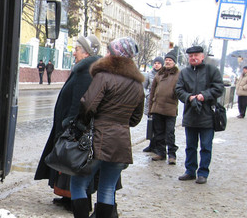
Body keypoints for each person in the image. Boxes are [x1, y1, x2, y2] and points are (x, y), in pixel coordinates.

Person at [70, 37, 144, 218]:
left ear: (117, 56)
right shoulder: (137, 85)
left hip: (98, 139)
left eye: (110, 51)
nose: (107, 54)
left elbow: (88, 105)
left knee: (78, 183)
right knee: (108, 188)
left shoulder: (103, 77)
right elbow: (135, 119)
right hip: (121, 143)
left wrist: (82, 124)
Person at [35, 35, 101, 212]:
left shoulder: (87, 70)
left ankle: (76, 201)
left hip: (74, 125)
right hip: (68, 123)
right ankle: (66, 195)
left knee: (73, 160)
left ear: (86, 52)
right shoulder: (83, 67)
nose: (74, 53)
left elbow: (80, 100)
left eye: (77, 49)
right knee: (66, 160)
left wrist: (70, 122)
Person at [175, 45, 224, 184]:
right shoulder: (184, 73)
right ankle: (190, 171)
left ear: (202, 56)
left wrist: (204, 95)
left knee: (206, 146)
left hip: (207, 115)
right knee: (190, 146)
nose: (193, 58)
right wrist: (189, 97)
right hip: (190, 115)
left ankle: (203, 173)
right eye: (191, 56)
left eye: (196, 55)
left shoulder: (212, 70)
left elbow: (219, 87)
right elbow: (178, 90)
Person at [149, 51, 180, 164]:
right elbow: (152, 90)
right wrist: (150, 107)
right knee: (158, 133)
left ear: (174, 62)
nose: (167, 61)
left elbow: (181, 90)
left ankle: (172, 154)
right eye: (166, 59)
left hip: (170, 109)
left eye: (170, 60)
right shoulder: (159, 74)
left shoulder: (178, 74)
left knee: (170, 133)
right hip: (157, 108)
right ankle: (160, 152)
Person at [142, 56, 163, 153]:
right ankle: (151, 144)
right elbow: (143, 87)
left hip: (160, 103)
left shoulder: (164, 75)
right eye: (155, 63)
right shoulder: (148, 75)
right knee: (151, 124)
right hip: (150, 102)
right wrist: (147, 95)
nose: (156, 65)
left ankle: (159, 145)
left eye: (158, 63)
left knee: (159, 126)